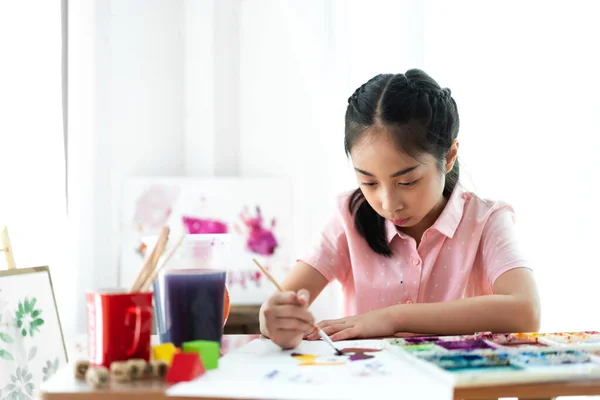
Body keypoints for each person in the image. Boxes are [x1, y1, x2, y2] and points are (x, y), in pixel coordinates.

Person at [259, 69, 541, 349]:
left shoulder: (486, 221)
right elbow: (279, 307)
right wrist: (275, 321)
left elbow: (526, 311)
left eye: (407, 182)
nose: (388, 203)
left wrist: (393, 318)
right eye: (368, 182)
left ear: (449, 157)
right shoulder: (349, 215)